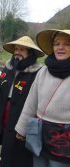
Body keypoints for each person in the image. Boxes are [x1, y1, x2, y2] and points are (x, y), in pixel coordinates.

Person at [15, 30, 70, 167]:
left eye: (67, 44)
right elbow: (31, 102)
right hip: (39, 132)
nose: (60, 47)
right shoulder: (43, 71)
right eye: (56, 44)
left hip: (64, 138)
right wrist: (22, 128)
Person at [0, 36, 44, 167]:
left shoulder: (37, 72)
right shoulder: (8, 67)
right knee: (5, 145)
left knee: (19, 151)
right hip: (4, 111)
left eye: (22, 49)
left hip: (23, 115)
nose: (17, 52)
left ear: (30, 53)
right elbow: (0, 85)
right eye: (16, 49)